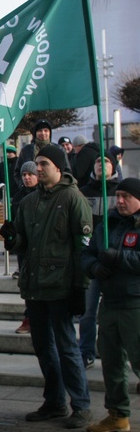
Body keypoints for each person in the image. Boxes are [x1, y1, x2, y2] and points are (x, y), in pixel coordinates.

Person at [0, 144, 93, 429]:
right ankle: (54, 401)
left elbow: (83, 248)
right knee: (43, 347)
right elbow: (23, 244)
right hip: (35, 287)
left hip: (61, 288)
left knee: (66, 347)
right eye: (36, 164)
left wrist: (81, 288)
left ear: (58, 167)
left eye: (43, 164)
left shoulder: (73, 199)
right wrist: (12, 238)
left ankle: (81, 404)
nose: (37, 168)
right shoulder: (29, 203)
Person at [81, 178, 140, 432]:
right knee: (112, 364)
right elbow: (87, 253)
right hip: (110, 303)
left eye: (126, 196)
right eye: (118, 196)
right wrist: (94, 267)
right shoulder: (109, 222)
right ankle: (117, 415)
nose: (120, 201)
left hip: (135, 305)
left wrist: (120, 258)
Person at [78, 154, 120, 370]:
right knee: (88, 311)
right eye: (97, 161)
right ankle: (86, 351)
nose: (101, 165)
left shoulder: (121, 192)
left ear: (114, 166)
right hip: (93, 257)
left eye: (106, 161)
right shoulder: (84, 192)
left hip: (117, 258)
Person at [10, 161, 39, 334]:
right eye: (24, 175)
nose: (27, 178)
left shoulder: (42, 195)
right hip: (24, 247)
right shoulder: (18, 196)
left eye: (30, 174)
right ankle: (29, 317)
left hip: (38, 246)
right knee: (26, 283)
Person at [13, 119, 71, 189]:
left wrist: (60, 185)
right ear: (35, 133)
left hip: (54, 189)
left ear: (50, 133)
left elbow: (67, 171)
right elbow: (17, 172)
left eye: (46, 130)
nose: (43, 133)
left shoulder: (59, 149)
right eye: (40, 131)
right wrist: (22, 185)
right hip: (31, 192)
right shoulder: (26, 150)